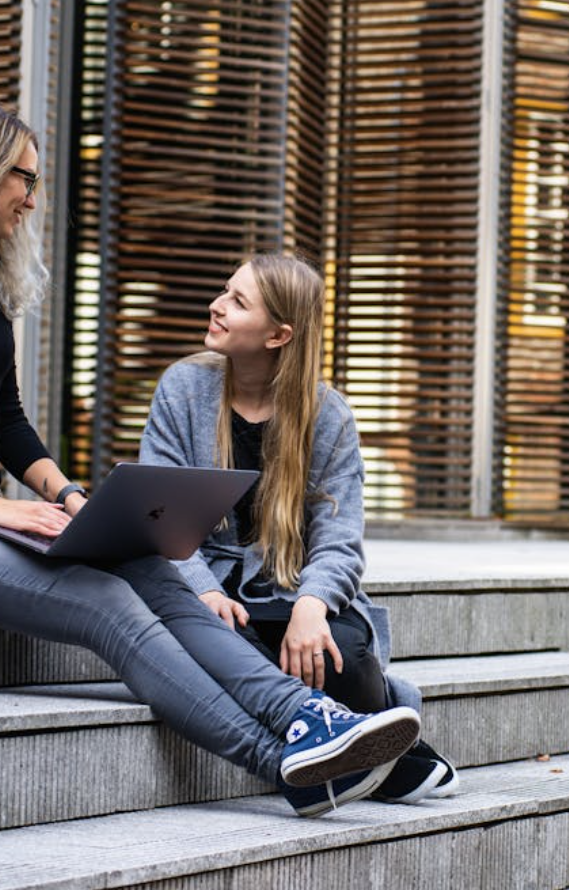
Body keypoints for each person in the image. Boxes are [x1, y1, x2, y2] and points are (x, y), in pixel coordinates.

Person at [0, 97, 420, 818]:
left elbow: (10, 425)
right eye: (25, 177)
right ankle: (282, 763)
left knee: (146, 564)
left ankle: (306, 716)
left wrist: (77, 501)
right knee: (108, 602)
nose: (32, 196)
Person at [139, 252, 458, 805]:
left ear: (278, 335)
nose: (216, 306)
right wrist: (204, 589)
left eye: (237, 302)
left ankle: (364, 741)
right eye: (224, 290)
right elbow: (157, 512)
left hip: (290, 589)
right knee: (221, 646)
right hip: (209, 589)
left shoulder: (327, 413)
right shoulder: (183, 388)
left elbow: (340, 537)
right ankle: (393, 758)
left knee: (343, 652)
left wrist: (313, 606)